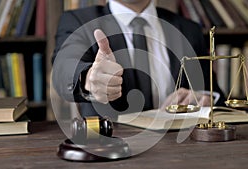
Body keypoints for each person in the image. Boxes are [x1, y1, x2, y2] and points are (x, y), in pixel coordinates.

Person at [52, 0, 226, 118]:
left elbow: (212, 91)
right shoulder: (77, 21)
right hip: (110, 146)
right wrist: (89, 79)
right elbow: (64, 67)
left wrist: (204, 99)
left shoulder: (188, 29)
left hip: (181, 147)